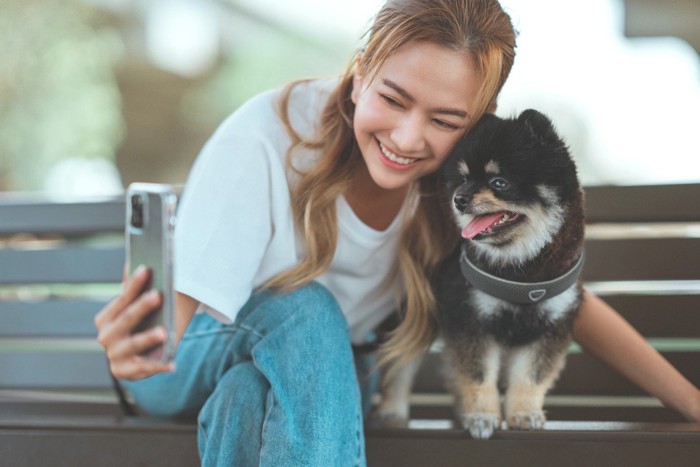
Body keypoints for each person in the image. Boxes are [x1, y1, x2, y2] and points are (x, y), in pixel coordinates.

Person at [95, 0, 700, 465]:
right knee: (304, 306)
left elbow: (558, 301)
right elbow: (166, 328)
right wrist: (132, 349)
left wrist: (692, 404)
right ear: (360, 76)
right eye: (393, 97)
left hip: (329, 380)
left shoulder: (457, 193)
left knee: (246, 398)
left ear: (471, 127)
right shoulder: (265, 135)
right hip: (193, 357)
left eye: (444, 120)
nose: (409, 138)